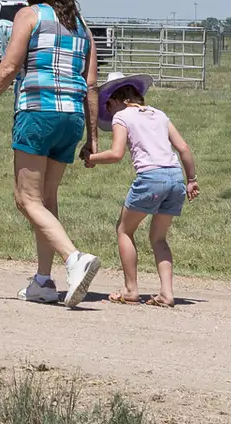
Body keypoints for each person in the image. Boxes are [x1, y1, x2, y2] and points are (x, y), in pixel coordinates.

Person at [0, 0, 101, 307]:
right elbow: (91, 86)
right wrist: (93, 139)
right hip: (71, 117)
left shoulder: (29, 15)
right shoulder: (82, 27)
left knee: (26, 199)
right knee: (47, 200)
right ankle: (42, 281)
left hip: (38, 112)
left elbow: (10, 67)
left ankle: (74, 259)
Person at [85, 71, 199, 307]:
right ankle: (167, 294)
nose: (108, 111)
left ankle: (130, 290)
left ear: (114, 100)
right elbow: (184, 148)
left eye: (107, 105)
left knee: (124, 230)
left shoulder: (121, 116)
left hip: (150, 178)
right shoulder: (159, 114)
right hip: (175, 178)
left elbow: (116, 154)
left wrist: (92, 158)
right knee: (158, 238)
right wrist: (191, 179)